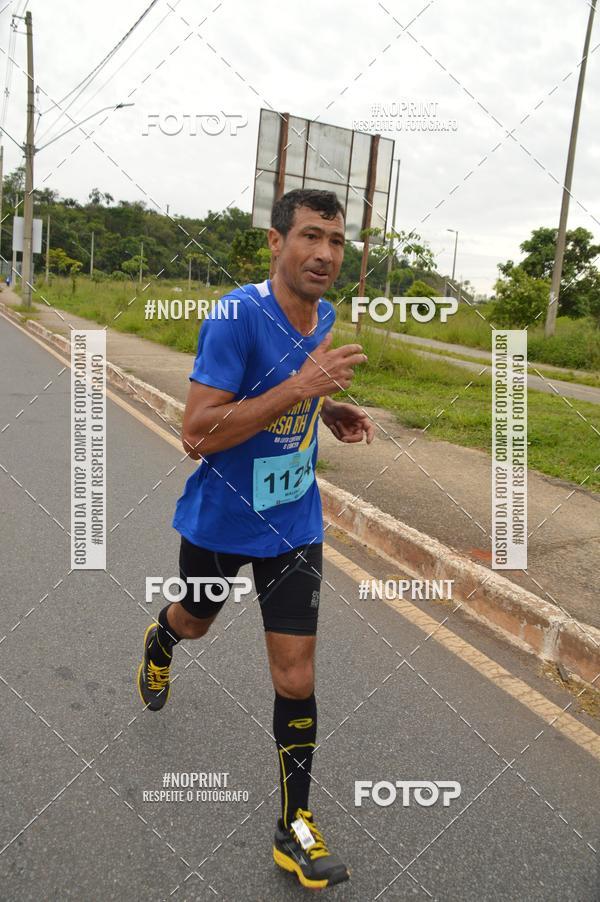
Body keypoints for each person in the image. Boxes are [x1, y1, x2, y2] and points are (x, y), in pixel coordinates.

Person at [137, 188, 374, 889]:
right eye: (310, 236)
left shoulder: (325, 314)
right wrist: (301, 388)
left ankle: (293, 825)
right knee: (195, 621)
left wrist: (326, 407)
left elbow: (300, 390)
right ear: (275, 242)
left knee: (296, 674)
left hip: (295, 522)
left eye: (335, 240)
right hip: (222, 520)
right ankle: (162, 638)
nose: (326, 253)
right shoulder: (235, 316)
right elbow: (196, 433)